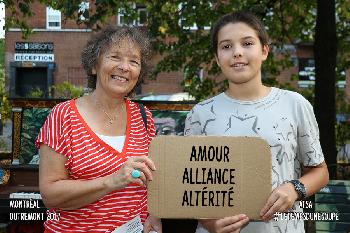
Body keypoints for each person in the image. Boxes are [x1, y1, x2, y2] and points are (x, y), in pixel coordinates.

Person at [184, 11, 329, 233]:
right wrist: (208, 222)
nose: (237, 53)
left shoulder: (295, 104)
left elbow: (320, 171)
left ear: (264, 50)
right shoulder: (200, 114)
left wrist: (294, 188)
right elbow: (191, 184)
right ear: (217, 58)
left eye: (247, 43)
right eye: (226, 46)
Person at [36, 26, 162, 233]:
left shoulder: (143, 116)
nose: (124, 67)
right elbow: (50, 195)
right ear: (94, 66)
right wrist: (112, 180)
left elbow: (153, 178)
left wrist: (154, 215)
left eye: (134, 61)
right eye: (115, 57)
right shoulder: (63, 116)